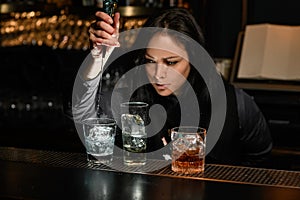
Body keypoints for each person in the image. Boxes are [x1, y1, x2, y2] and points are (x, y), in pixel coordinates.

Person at [72, 7, 273, 167]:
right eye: (151, 61)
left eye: (171, 62)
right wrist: (95, 60)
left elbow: (261, 160)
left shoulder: (234, 103)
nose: (158, 74)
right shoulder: (130, 96)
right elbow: (82, 118)